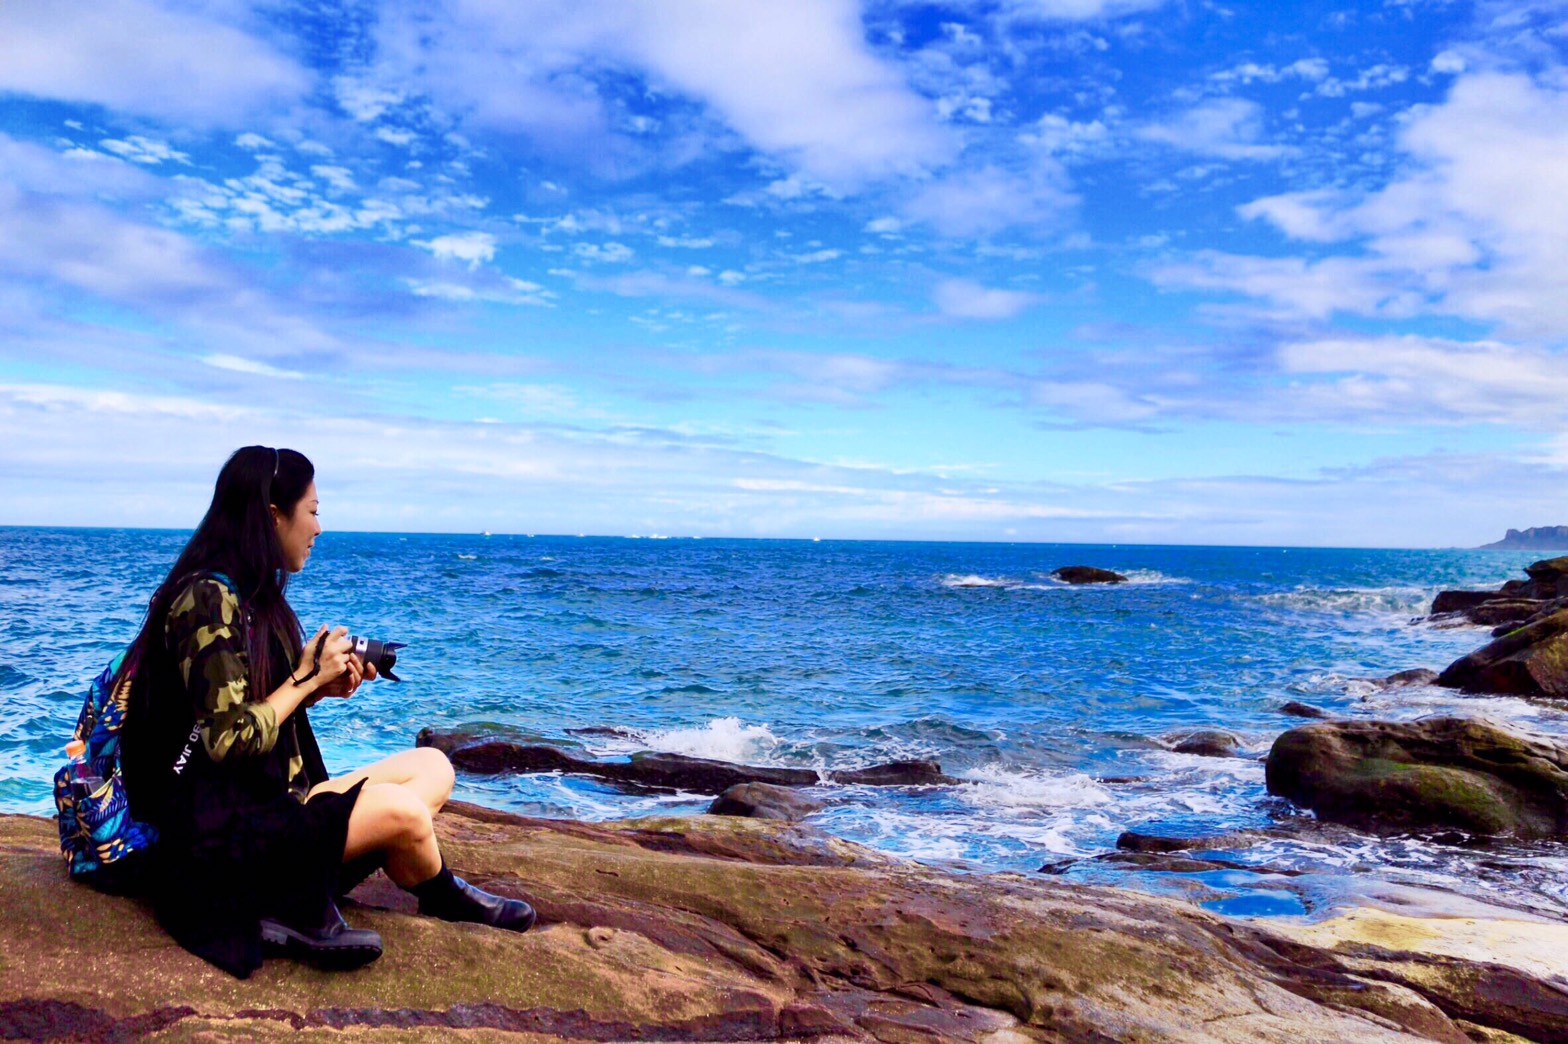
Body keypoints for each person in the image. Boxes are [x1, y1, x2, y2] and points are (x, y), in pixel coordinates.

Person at [120, 446, 534, 978]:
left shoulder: (254, 597)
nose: (319, 526)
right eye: (312, 510)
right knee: (402, 813)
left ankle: (300, 886)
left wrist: (316, 691)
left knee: (434, 767)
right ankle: (439, 894)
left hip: (266, 810)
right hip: (218, 842)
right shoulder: (205, 597)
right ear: (273, 515)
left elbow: (253, 708)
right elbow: (226, 738)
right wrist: (304, 679)